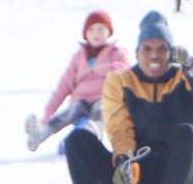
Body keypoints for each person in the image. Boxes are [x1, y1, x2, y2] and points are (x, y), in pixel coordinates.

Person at [50, 11, 193, 184]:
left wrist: (192, 64)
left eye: (162, 49)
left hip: (178, 183)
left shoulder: (184, 80)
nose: (154, 55)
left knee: (186, 132)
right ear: (137, 52)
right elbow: (118, 126)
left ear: (171, 52)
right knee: (79, 139)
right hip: (132, 179)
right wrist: (124, 160)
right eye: (147, 48)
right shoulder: (121, 81)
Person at [24, 10, 129, 152]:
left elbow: (127, 74)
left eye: (101, 29)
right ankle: (41, 133)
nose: (96, 33)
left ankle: (90, 132)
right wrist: (47, 113)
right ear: (85, 33)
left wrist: (115, 69)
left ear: (109, 32)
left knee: (102, 111)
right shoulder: (78, 57)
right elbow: (62, 87)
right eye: (91, 29)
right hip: (80, 101)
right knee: (69, 112)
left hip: (103, 98)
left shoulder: (115, 53)